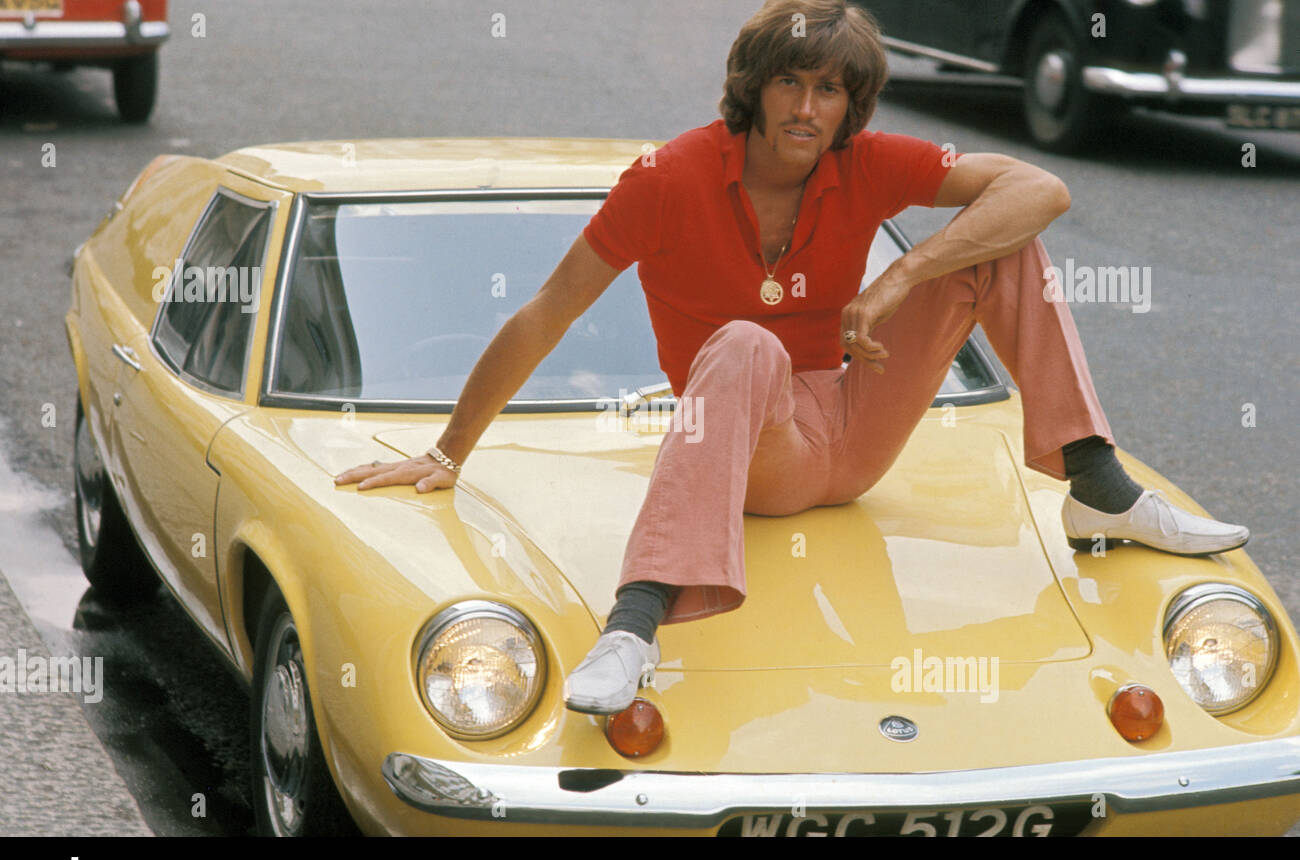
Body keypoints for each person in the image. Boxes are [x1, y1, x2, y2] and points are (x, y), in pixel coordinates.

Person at [335, 0, 1248, 717]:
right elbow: (546, 312)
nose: (808, 110)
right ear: (754, 87)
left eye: (831, 92)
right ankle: (635, 625)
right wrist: (449, 450)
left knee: (1002, 239)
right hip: (758, 446)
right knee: (740, 341)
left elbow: (1040, 187)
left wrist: (901, 277)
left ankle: (1096, 483)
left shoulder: (866, 163)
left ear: (852, 104)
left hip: (858, 421)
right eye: (791, 86)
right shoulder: (669, 178)